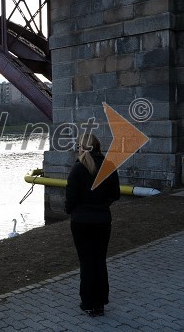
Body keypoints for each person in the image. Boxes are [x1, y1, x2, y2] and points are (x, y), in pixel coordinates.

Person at [65, 133, 120, 317]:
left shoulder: (77, 169)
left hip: (81, 223)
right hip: (103, 221)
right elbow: (116, 194)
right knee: (99, 260)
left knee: (86, 262)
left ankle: (88, 303)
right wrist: (103, 205)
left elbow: (70, 202)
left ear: (81, 147)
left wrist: (75, 210)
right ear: (98, 147)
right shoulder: (109, 166)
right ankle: (100, 303)